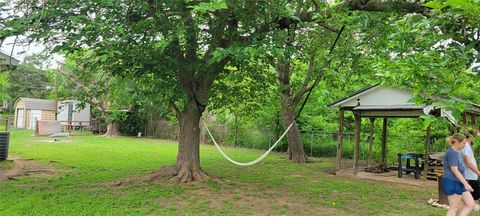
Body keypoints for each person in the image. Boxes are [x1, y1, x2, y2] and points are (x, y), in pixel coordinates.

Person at [442, 133, 475, 216]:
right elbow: (454, 170)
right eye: (463, 143)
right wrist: (466, 184)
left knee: (470, 204)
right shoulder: (452, 153)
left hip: (458, 183)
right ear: (457, 142)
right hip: (452, 182)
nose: (464, 146)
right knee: (453, 208)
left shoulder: (456, 153)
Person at [460, 130, 480, 209]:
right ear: (472, 136)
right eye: (476, 137)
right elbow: (468, 163)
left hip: (471, 176)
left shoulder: (468, 146)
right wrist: (478, 173)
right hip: (469, 176)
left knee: (468, 199)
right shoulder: (466, 146)